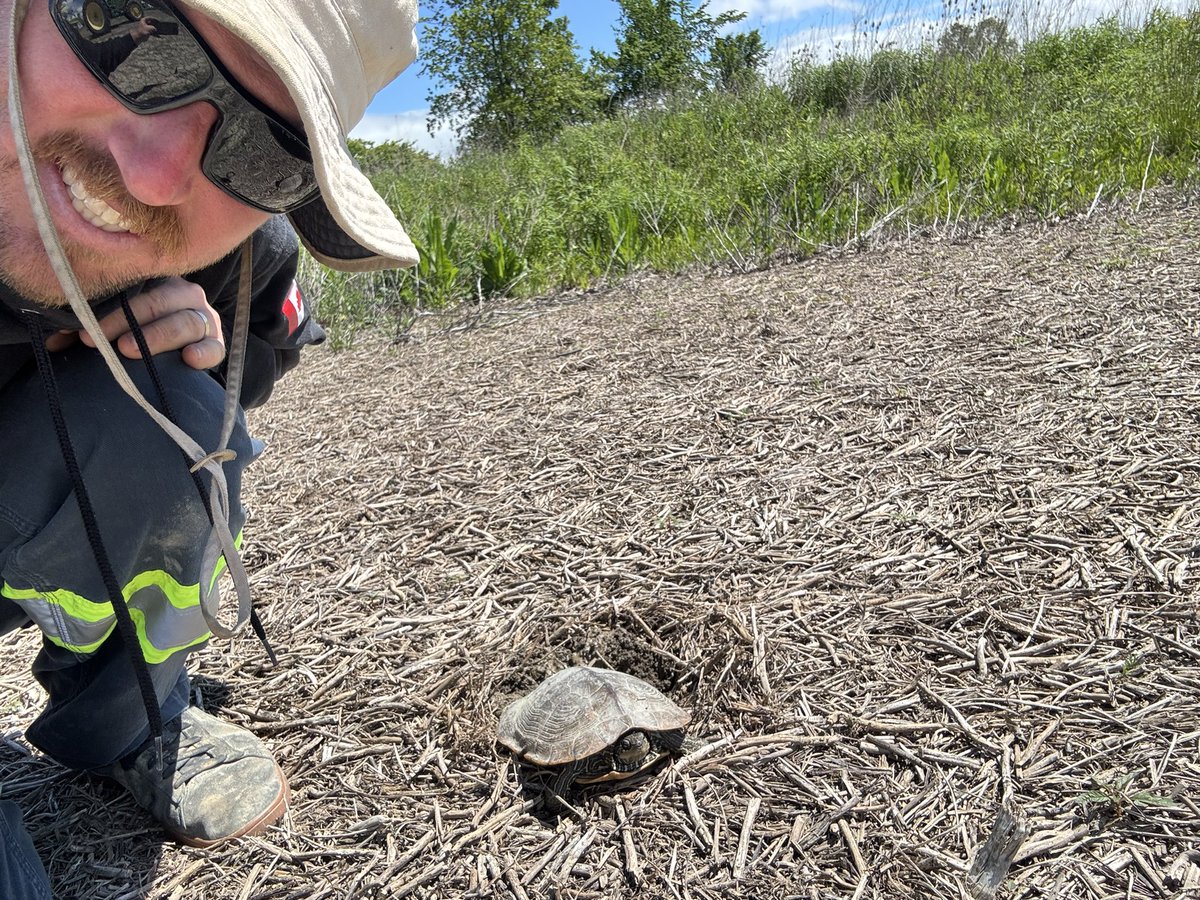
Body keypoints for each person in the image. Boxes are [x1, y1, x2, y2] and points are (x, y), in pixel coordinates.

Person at [0, 0, 419, 894]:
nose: (153, 179)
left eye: (266, 151)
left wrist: (184, 349)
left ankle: (132, 717)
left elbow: (258, 357)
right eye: (135, 35)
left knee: (173, 410)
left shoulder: (237, 253)